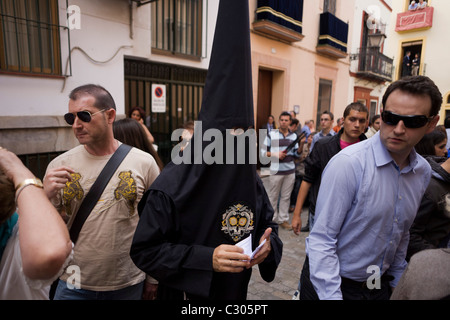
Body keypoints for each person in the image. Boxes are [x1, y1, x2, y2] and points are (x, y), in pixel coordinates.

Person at [130, 0, 282, 300]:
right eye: (227, 136)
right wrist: (205, 259)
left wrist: (268, 247)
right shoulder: (170, 187)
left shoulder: (247, 179)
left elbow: (269, 225)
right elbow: (144, 250)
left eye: (244, 136)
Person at [299, 75, 442, 300]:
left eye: (412, 121)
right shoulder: (349, 164)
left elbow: (401, 232)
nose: (398, 128)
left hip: (378, 285)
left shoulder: (422, 172)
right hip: (331, 285)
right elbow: (322, 240)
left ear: (431, 123)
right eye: (390, 117)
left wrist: (396, 279)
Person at [44, 84, 160, 300]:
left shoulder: (143, 163)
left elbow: (156, 223)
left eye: (84, 116)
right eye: (71, 118)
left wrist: (153, 278)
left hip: (127, 282)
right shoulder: (59, 165)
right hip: (73, 282)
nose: (76, 125)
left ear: (110, 115)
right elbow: (42, 229)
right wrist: (45, 196)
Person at [0, 147, 73, 299]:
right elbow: (49, 252)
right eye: (70, 120)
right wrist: (20, 172)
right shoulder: (15, 237)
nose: (76, 125)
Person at [292, 102, 368, 234]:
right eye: (352, 119)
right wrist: (297, 214)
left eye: (361, 121)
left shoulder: (369, 149)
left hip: (354, 217)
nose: (357, 125)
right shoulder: (323, 146)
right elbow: (307, 179)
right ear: (343, 121)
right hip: (322, 214)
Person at [406, 131, 450, 261]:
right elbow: (410, 237)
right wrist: (440, 258)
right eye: (441, 146)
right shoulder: (429, 188)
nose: (445, 150)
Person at [264, 112, 301, 230]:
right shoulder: (271, 134)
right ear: (279, 121)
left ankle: (283, 220)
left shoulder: (294, 136)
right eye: (282, 120)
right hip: (275, 171)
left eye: (286, 120)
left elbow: (296, 154)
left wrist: (303, 144)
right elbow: (263, 152)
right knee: (273, 196)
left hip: (290, 171)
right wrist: (275, 154)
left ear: (290, 122)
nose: (284, 122)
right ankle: (272, 220)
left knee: (286, 197)